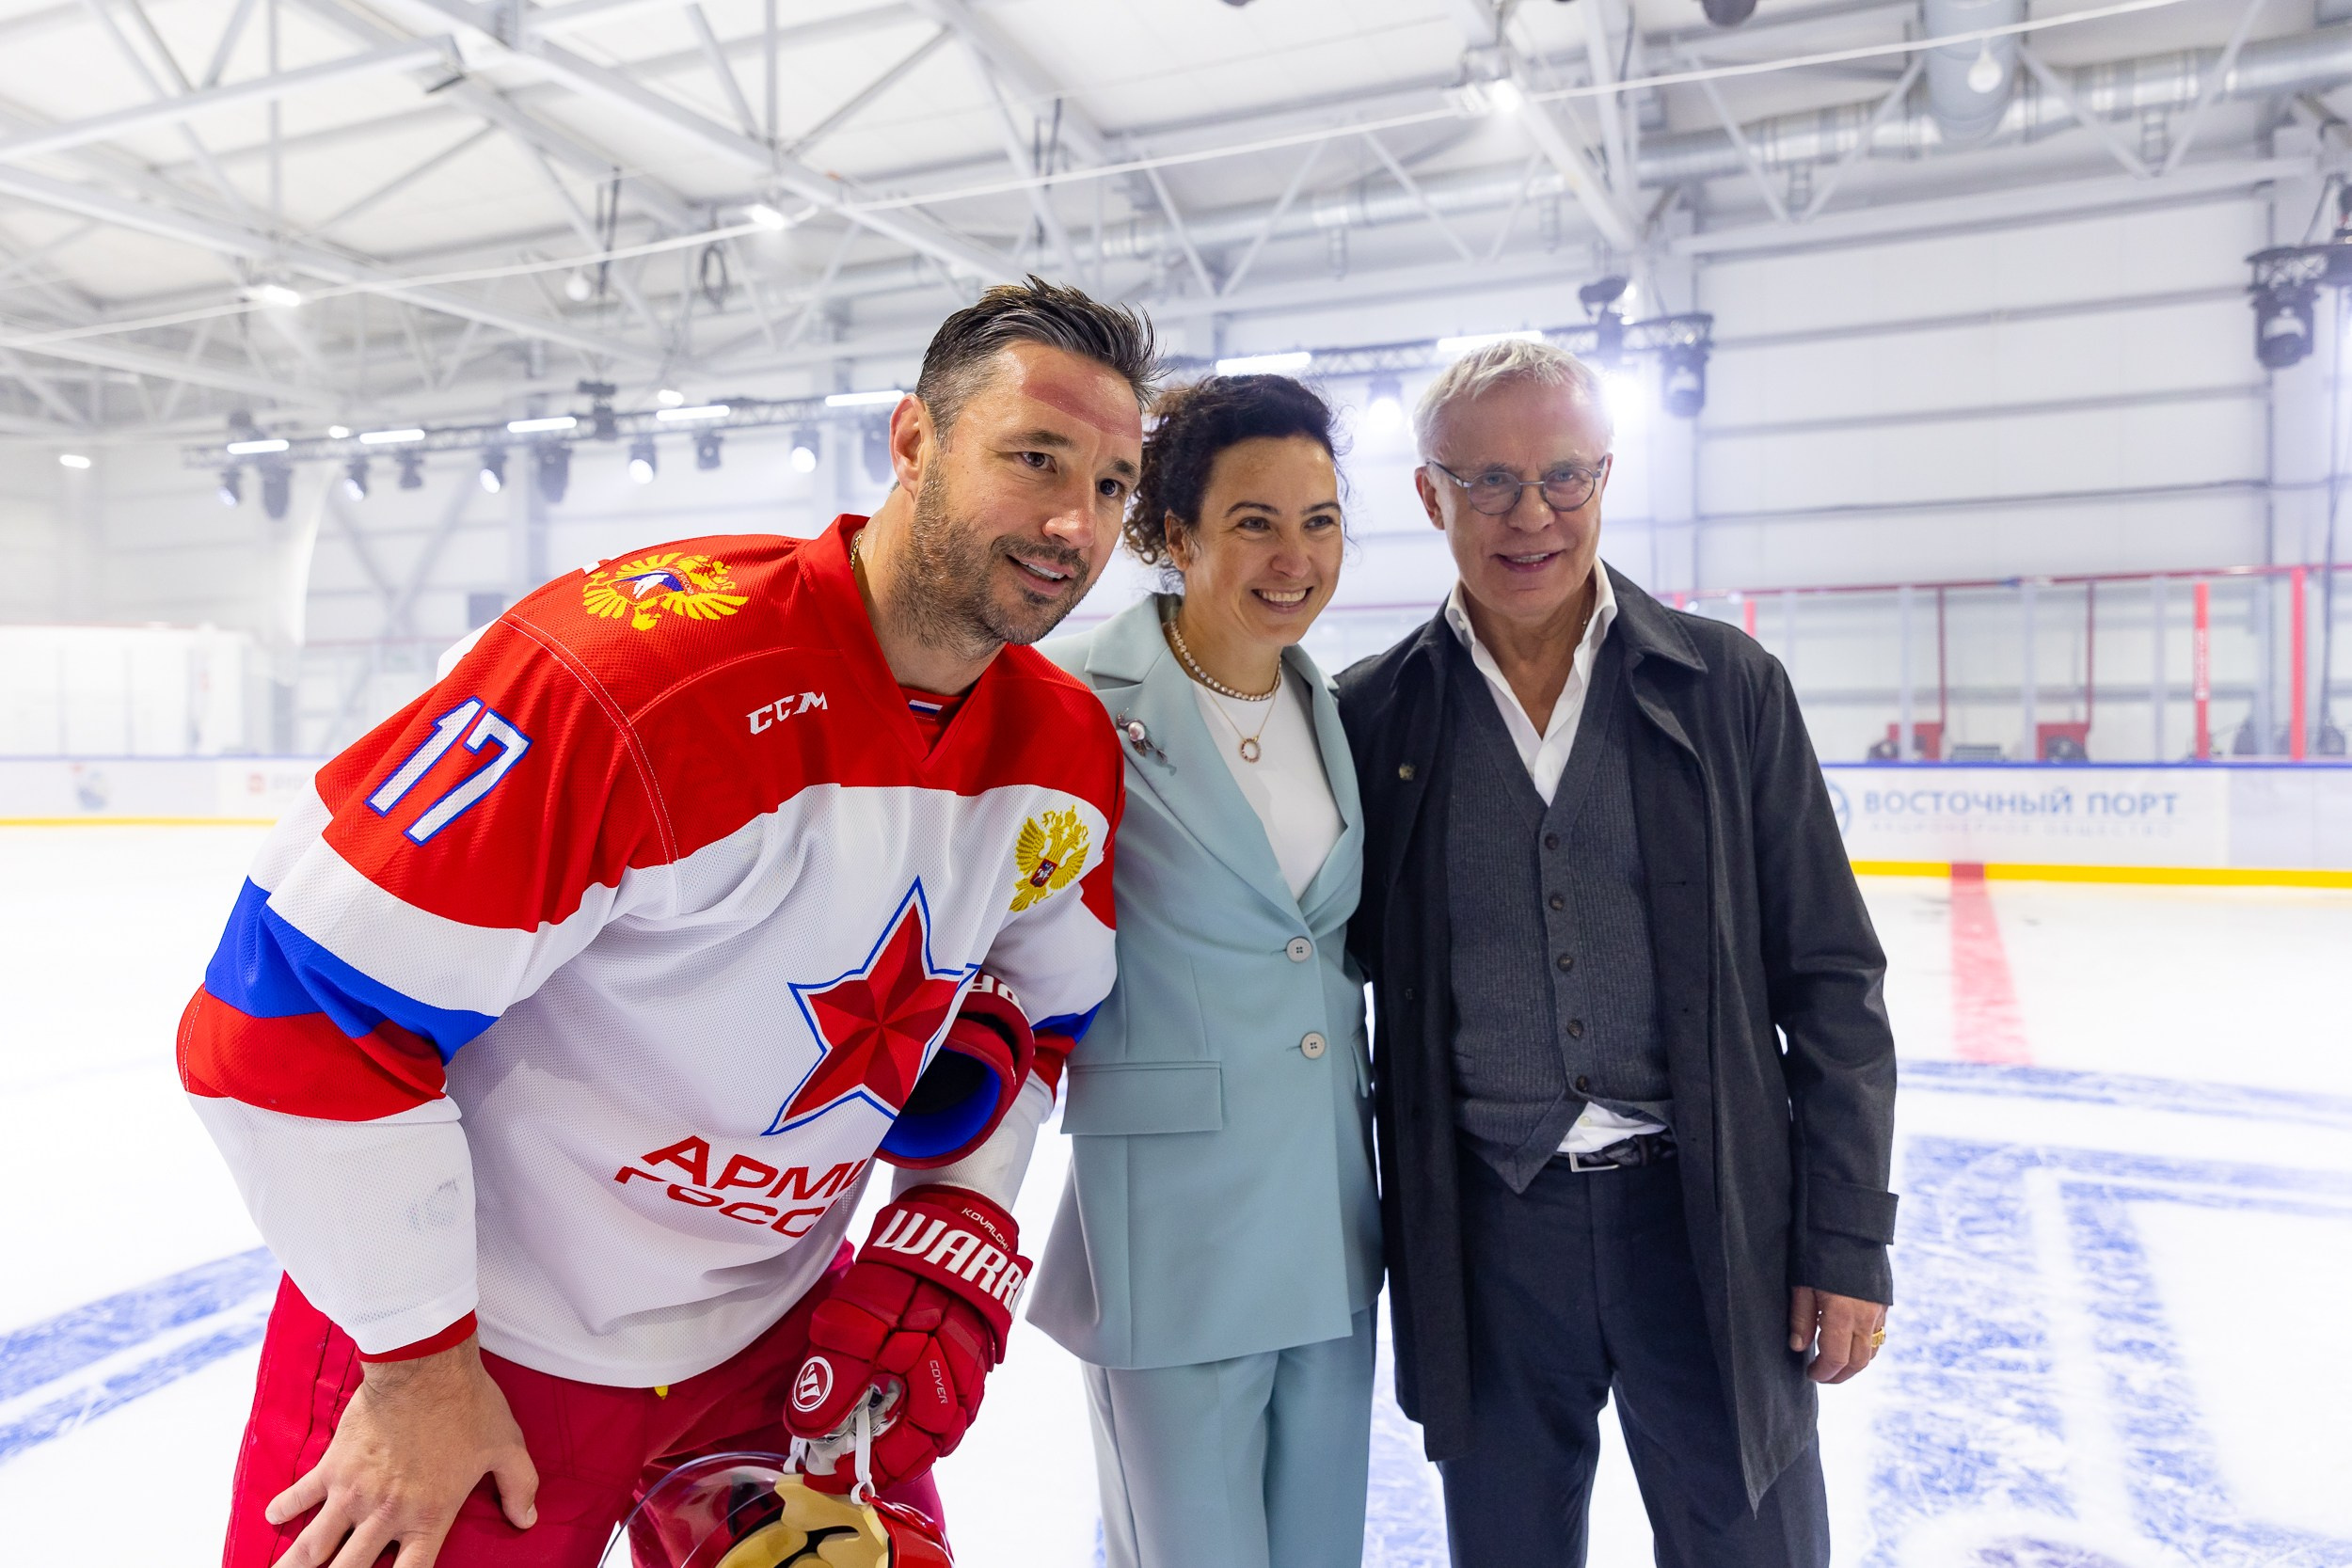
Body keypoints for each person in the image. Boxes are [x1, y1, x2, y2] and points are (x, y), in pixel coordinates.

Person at [180, 277, 1156, 1568]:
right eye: (1034, 457)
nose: (1070, 522)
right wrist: (415, 1360)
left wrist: (952, 1217)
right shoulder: (629, 678)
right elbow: (285, 1017)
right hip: (475, 1349)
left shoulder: (1063, 746)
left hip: (781, 1355)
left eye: (1111, 484)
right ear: (914, 438)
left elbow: (1035, 1018)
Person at [1336, 339, 1899, 1567]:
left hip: (1710, 1224)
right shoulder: (1374, 715)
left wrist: (1847, 1241)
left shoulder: (1727, 686)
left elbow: (1834, 981)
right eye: (1486, 481)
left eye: (1563, 476)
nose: (1529, 513)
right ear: (1431, 494)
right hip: (1487, 1234)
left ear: (1605, 475)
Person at [1027, 374, 1378, 1568]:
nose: (1295, 556)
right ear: (1176, 536)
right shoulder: (1072, 698)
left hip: (1327, 1209)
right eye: (1254, 521)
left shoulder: (1335, 705)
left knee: (1319, 1546)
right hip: (1170, 1220)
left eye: (1319, 519)